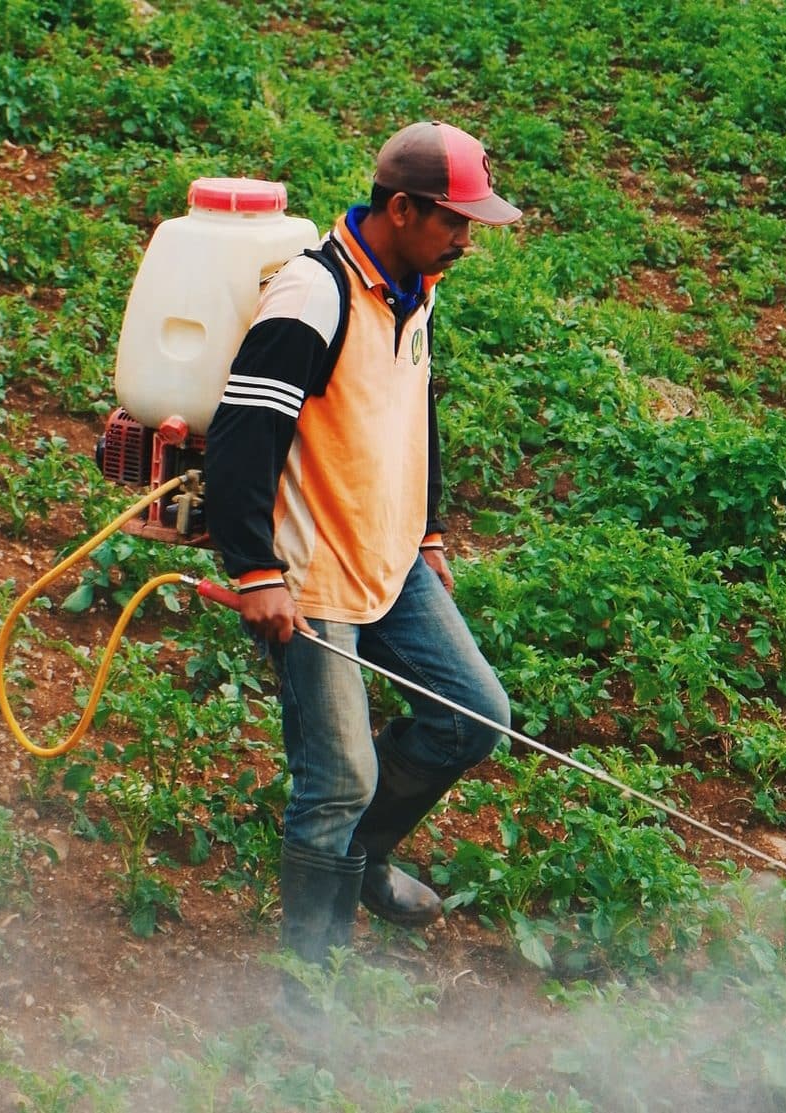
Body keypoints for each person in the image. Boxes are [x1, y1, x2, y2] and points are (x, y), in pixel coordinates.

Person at [203, 121, 521, 986]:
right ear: (403, 207)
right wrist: (256, 570)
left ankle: (364, 857)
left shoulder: (415, 288)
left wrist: (427, 529)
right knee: (338, 777)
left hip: (389, 558)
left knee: (473, 712)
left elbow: (411, 409)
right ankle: (311, 984)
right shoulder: (312, 295)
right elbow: (239, 439)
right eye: (456, 222)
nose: (467, 239)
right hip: (313, 575)